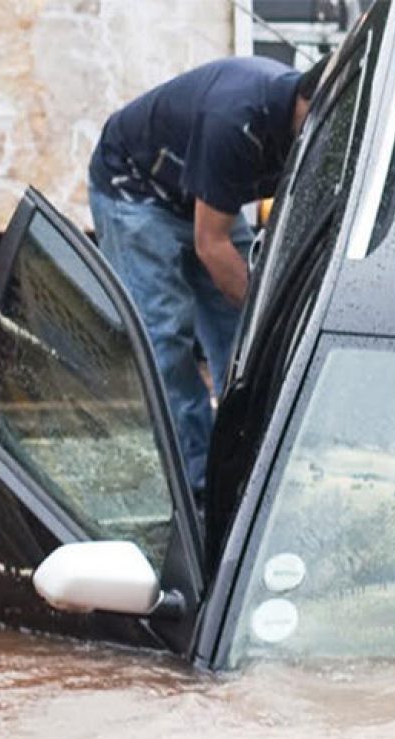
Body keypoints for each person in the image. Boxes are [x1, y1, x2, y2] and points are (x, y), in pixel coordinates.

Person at [88, 55, 329, 499]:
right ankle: (195, 485)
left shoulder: (311, 127)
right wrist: (271, 318)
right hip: (136, 188)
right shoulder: (237, 121)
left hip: (201, 195)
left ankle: (249, 459)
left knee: (241, 337)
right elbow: (211, 245)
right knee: (164, 338)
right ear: (309, 100)